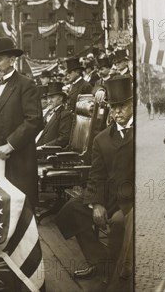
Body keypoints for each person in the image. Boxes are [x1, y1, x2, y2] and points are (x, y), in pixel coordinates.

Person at [55, 76, 134, 289]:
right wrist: (96, 203)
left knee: (118, 223)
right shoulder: (102, 138)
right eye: (114, 107)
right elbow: (96, 175)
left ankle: (117, 274)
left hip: (131, 200)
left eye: (123, 106)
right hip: (107, 194)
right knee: (72, 210)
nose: (118, 112)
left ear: (133, 105)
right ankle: (99, 262)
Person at [0, 37, 43, 210]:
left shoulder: (26, 84)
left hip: (19, 160)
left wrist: (10, 145)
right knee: (2, 209)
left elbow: (35, 120)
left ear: (12, 60)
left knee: (21, 209)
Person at [36, 81, 73, 147]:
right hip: (38, 147)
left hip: (48, 152)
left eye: (52, 97)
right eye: (48, 98)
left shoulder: (65, 114)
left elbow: (64, 138)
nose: (49, 101)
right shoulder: (49, 112)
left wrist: (45, 146)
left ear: (60, 98)